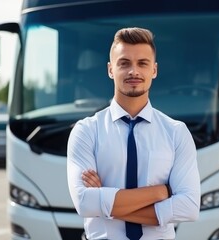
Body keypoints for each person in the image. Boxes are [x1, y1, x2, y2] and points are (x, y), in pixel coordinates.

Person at [67, 27, 200, 240]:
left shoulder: (176, 132)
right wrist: (160, 193)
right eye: (124, 63)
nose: (133, 71)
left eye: (142, 63)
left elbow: (189, 207)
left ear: (154, 70)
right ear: (111, 69)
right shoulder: (86, 131)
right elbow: (84, 202)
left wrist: (105, 203)